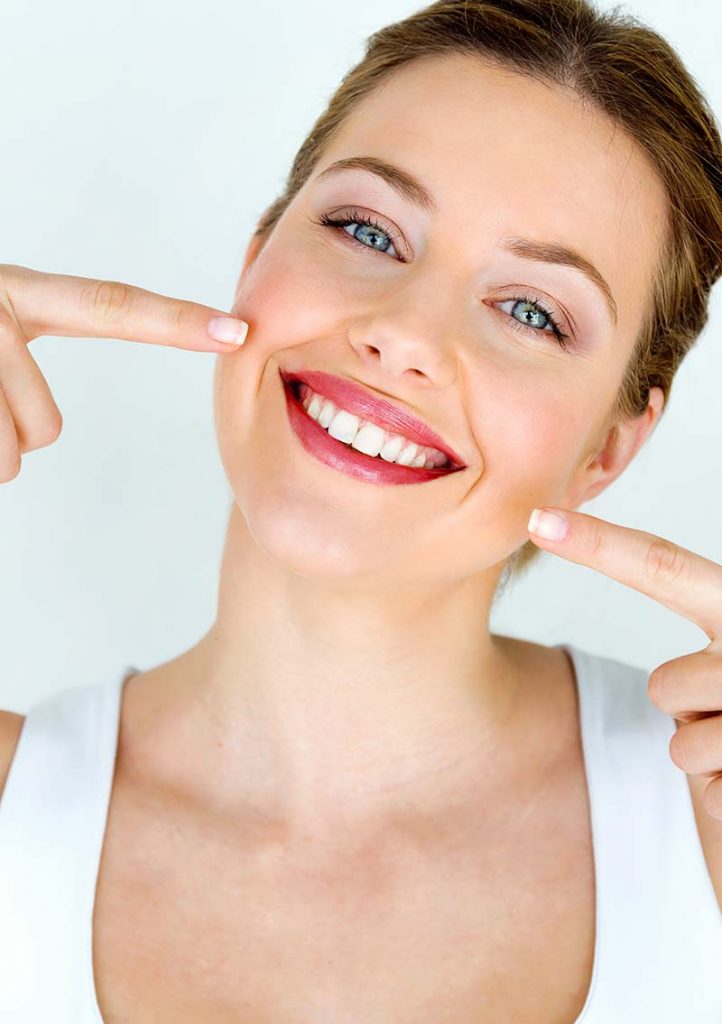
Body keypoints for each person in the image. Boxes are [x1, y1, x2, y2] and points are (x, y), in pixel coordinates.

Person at [1, 0, 721, 1020]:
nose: (404, 332)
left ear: (604, 447)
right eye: (366, 229)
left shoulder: (701, 827)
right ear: (256, 259)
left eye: (530, 310)